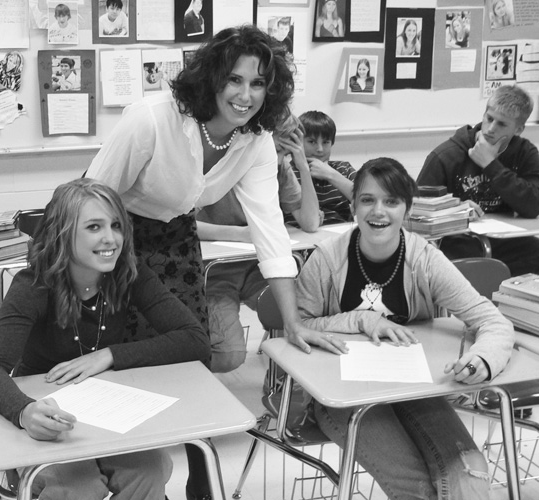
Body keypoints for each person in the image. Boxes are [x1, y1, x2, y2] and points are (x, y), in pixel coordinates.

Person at [86, 25, 326, 499]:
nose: (245, 95)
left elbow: (271, 234)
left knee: (191, 352)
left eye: (259, 83)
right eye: (235, 80)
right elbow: (90, 203)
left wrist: (293, 323)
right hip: (114, 238)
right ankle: (128, 469)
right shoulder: (151, 120)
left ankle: (201, 476)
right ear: (211, 78)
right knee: (126, 363)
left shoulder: (255, 142)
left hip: (177, 239)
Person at [0, 178, 209, 500]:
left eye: (116, 225)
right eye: (94, 227)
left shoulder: (129, 272)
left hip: (107, 410)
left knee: (150, 471)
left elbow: (194, 339)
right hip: (50, 413)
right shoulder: (34, 285)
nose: (111, 239)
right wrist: (24, 411)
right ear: (63, 233)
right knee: (77, 487)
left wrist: (110, 355)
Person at [295, 157, 513, 500]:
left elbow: (491, 319)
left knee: (470, 473)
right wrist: (361, 320)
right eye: (367, 200)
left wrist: (483, 359)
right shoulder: (325, 258)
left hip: (413, 388)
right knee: (415, 487)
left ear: (406, 209)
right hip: (341, 395)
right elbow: (299, 325)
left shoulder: (425, 258)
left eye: (391, 201)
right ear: (353, 206)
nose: (378, 211)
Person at [196, 114, 321, 373]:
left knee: (310, 315)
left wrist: (302, 166)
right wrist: (241, 233)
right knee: (229, 355)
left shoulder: (281, 168)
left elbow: (309, 223)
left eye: (286, 153)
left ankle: (279, 388)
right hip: (217, 273)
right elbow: (184, 225)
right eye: (276, 150)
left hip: (257, 270)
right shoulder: (215, 163)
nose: (278, 160)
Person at [417, 84, 539, 276]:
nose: (490, 129)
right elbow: (416, 210)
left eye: (502, 124)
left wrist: (491, 165)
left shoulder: (525, 153)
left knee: (534, 252)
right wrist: (457, 209)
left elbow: (533, 205)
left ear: (519, 129)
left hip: (503, 240)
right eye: (489, 118)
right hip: (455, 241)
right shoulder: (447, 155)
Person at [288, 111, 356, 226]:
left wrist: (331, 174)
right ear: (298, 141)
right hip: (300, 235)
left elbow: (366, 198)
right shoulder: (286, 172)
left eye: (325, 142)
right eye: (312, 142)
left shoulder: (343, 168)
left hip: (340, 234)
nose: (319, 149)